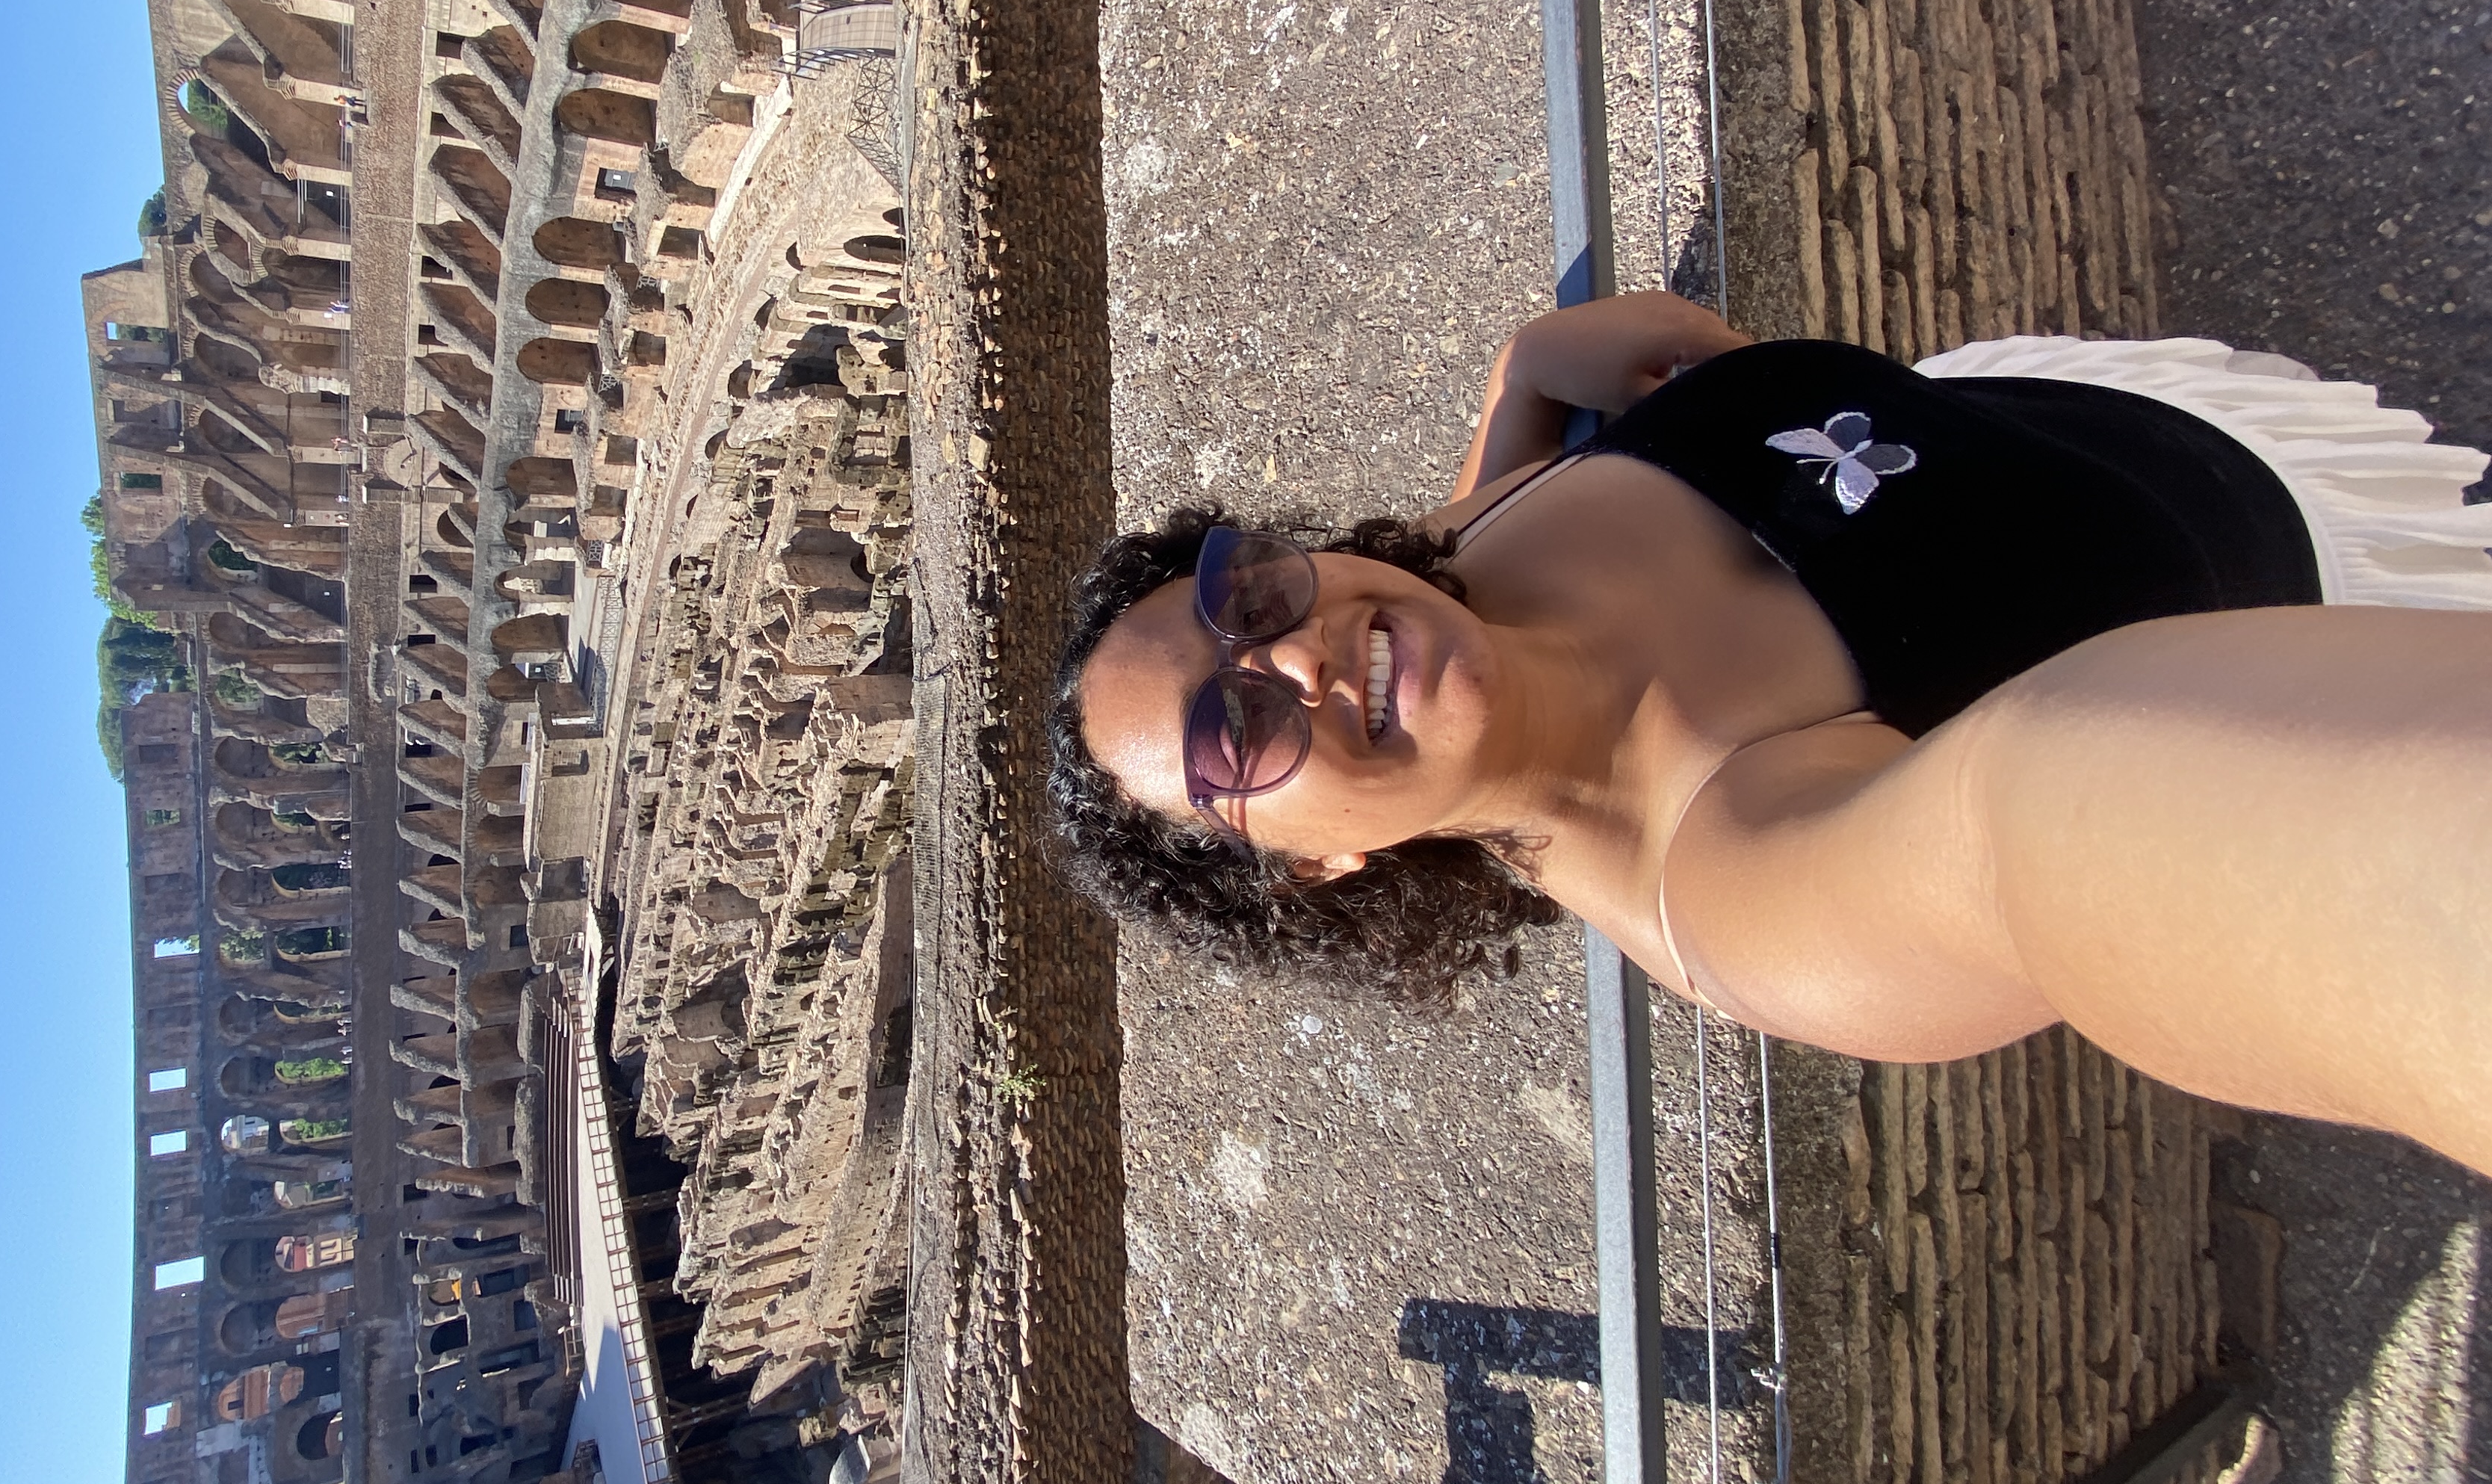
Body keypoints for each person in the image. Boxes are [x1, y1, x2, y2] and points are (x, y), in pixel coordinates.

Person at [1050, 293, 2492, 1177]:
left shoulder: (1443, 567)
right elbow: (2029, 835)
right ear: (1309, 870)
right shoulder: (1744, 880)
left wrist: (1536, 370)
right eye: (1236, 727)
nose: (1293, 651)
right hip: (2309, 583)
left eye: (1245, 594)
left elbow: (1483, 479)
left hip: (2108, 415)